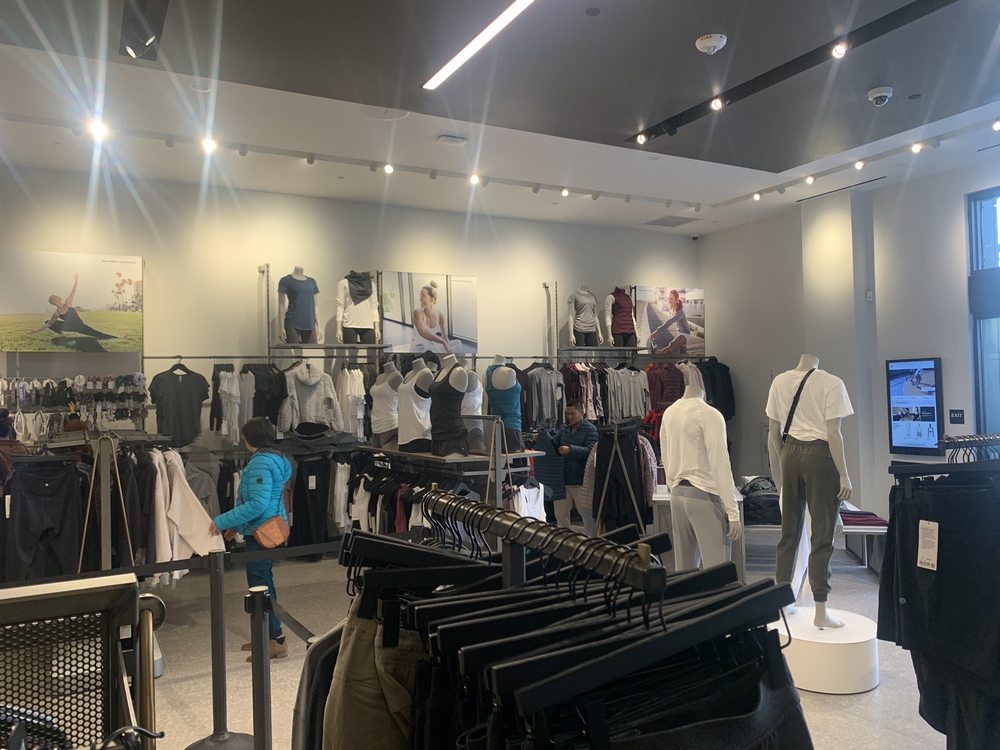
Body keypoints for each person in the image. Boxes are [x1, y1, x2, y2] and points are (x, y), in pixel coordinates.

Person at [209, 417, 292, 660]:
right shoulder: (276, 459)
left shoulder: (260, 463)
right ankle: (267, 637)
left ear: (250, 439)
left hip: (259, 532)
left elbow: (257, 504)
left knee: (260, 586)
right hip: (267, 528)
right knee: (263, 583)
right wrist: (236, 525)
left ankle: (274, 639)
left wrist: (221, 521)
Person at [554, 400, 599, 535]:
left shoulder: (591, 430)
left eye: (572, 414)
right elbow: (554, 441)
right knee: (560, 514)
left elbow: (591, 451)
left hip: (581, 479)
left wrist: (570, 449)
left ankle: (593, 540)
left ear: (582, 412)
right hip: (562, 478)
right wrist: (541, 437)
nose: (569, 417)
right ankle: (563, 540)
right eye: (567, 414)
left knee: (586, 513)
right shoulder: (564, 429)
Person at [30, 273, 116, 340]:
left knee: (96, 333)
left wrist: (76, 280)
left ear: (58, 298)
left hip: (80, 326)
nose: (55, 298)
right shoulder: (57, 313)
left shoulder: (68, 303)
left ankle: (116, 338)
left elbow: (73, 291)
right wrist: (35, 331)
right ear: (52, 303)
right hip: (68, 326)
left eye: (55, 297)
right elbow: (49, 324)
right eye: (53, 299)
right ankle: (62, 335)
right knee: (48, 322)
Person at [410, 281, 453, 353]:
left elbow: (444, 336)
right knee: (431, 345)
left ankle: (443, 354)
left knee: (458, 343)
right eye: (420, 295)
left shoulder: (440, 315)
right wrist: (443, 342)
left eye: (423, 296)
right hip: (419, 347)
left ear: (432, 299)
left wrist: (448, 349)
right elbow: (423, 332)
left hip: (431, 345)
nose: (420, 299)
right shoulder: (417, 312)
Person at [647, 288, 689, 354]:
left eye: (672, 299)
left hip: (685, 334)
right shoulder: (674, 310)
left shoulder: (680, 312)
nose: (669, 301)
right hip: (680, 333)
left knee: (671, 347)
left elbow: (670, 322)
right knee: (684, 354)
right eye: (669, 298)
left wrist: (657, 331)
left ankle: (655, 354)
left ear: (676, 300)